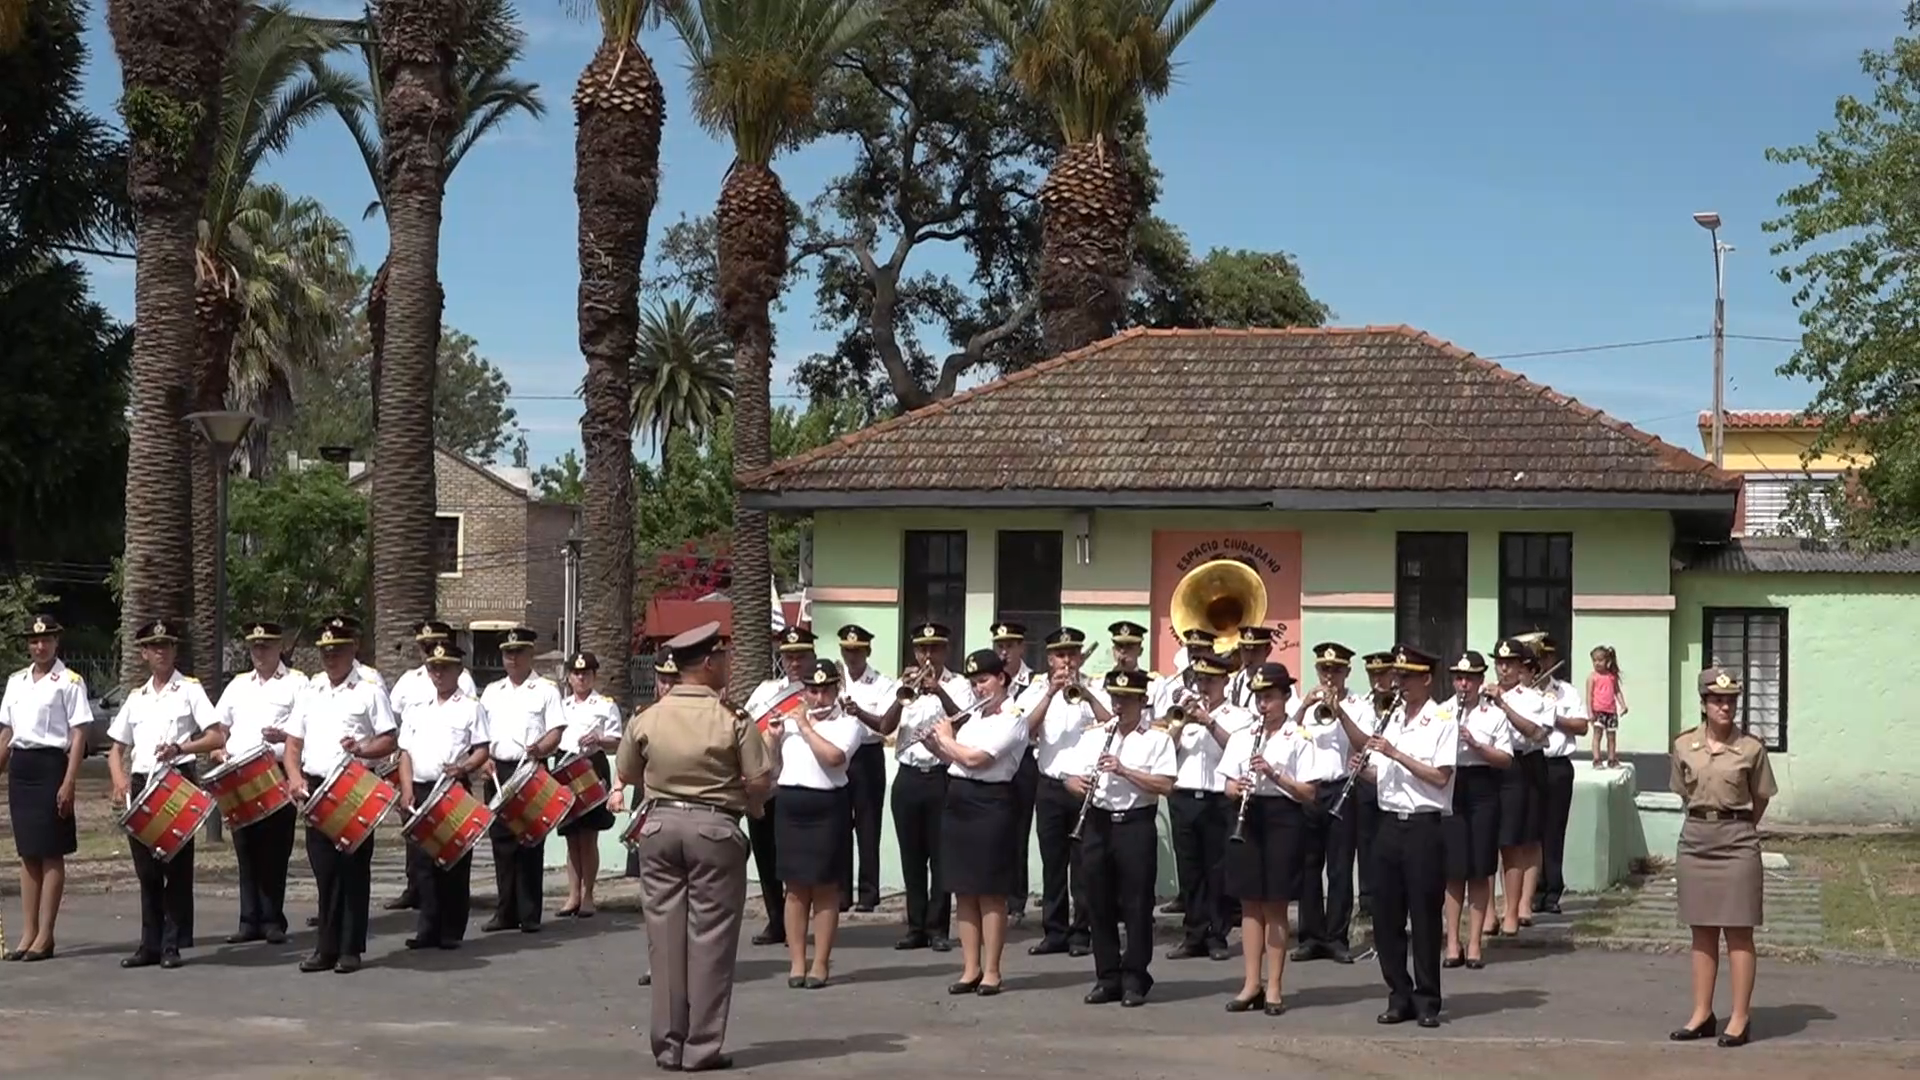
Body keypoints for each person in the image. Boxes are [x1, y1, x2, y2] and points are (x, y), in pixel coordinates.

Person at [617, 621, 772, 1073]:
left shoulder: (648, 717)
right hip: (715, 829)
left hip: (659, 827)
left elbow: (627, 771)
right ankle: (701, 1048)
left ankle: (667, 1047)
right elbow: (759, 780)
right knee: (711, 940)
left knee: (664, 941)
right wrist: (754, 805)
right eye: (722, 658)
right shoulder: (733, 719)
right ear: (707, 664)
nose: (727, 664)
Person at [106, 619, 226, 969]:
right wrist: (118, 779)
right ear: (143, 653)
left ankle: (172, 943)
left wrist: (181, 747)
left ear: (175, 650)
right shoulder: (135, 697)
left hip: (177, 780)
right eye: (154, 647)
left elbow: (216, 736)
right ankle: (150, 943)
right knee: (146, 869)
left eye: (167, 646)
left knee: (175, 865)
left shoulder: (189, 689)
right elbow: (116, 748)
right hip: (143, 783)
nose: (161, 652)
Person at [1669, 666, 1776, 1049]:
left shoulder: (1751, 748)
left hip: (1737, 842)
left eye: (1731, 700)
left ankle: (1740, 1017)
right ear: (1704, 704)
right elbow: (1683, 790)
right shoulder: (1684, 745)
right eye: (1717, 700)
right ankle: (1702, 1013)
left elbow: (1760, 796)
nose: (1725, 707)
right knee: (1701, 929)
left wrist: (1738, 824)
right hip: (1696, 840)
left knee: (1739, 930)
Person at [284, 614, 398, 974]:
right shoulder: (311, 688)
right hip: (317, 787)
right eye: (326, 651)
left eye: (338, 650)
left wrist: (363, 749)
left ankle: (351, 948)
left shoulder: (369, 688)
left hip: (354, 787)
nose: (330, 657)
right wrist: (293, 776)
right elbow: (293, 742)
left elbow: (389, 739)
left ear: (354, 649)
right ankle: (325, 948)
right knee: (324, 870)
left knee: (352, 870)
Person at [1352, 645, 1456, 1028]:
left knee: (1424, 915)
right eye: (1398, 677)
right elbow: (1382, 776)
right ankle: (1399, 994)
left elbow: (1440, 776)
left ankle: (1428, 999)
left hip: (1424, 827)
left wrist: (1395, 753)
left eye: (1408, 677)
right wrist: (1361, 770)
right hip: (1388, 824)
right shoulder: (1392, 717)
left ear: (1426, 679)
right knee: (1386, 915)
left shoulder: (1443, 719)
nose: (1401, 683)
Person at [858, 622, 970, 951]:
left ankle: (938, 929)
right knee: (912, 857)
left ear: (945, 650)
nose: (928, 655)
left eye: (935, 648)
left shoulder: (958, 684)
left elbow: (964, 720)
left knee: (940, 856)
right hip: (908, 776)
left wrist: (938, 691)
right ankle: (916, 926)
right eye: (923, 649)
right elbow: (885, 726)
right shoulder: (903, 684)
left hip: (940, 775)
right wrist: (902, 695)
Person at [925, 649, 1029, 997]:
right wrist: (935, 745)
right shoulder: (974, 719)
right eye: (973, 683)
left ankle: (993, 971)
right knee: (963, 890)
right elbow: (955, 761)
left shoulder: (1013, 717)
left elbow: (977, 759)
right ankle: (970, 968)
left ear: (1001, 678)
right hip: (959, 802)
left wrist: (947, 741)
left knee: (990, 892)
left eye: (983, 680)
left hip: (991, 804)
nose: (978, 688)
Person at [1217, 661, 1317, 1015]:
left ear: (1286, 697)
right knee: (1249, 903)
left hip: (1283, 818)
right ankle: (1250, 983)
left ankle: (1274, 986)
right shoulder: (1244, 735)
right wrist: (1236, 789)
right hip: (1249, 815)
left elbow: (1308, 792)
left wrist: (1273, 774)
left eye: (1270, 698)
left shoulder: (1300, 737)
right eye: (1259, 698)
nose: (1263, 705)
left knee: (1275, 903)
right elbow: (1227, 781)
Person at [1071, 668, 1175, 1007]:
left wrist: (1125, 770)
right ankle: (1107, 977)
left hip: (1135, 824)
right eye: (1115, 698)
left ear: (1142, 701)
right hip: (1098, 823)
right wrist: (1075, 784)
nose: (1119, 705)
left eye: (1127, 700)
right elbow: (1069, 777)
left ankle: (1135, 977)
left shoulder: (1157, 739)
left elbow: (1165, 786)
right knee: (1096, 902)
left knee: (1137, 904)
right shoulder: (1094, 735)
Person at [767, 659, 866, 988]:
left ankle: (820, 963)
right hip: (791, 806)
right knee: (794, 889)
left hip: (828, 807)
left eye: (825, 690)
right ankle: (797, 962)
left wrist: (807, 728)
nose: (818, 697)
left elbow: (835, 759)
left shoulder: (849, 724)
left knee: (825, 888)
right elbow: (772, 767)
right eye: (812, 690)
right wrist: (773, 738)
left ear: (836, 690)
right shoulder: (791, 720)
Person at [0, 613, 91, 963]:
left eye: (46, 640)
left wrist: (69, 781)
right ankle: (27, 931)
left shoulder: (69, 681)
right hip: (21, 767)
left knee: (51, 851)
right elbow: (8, 733)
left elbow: (80, 733)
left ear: (57, 641)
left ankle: (46, 935)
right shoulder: (16, 682)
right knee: (28, 852)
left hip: (52, 765)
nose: (40, 646)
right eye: (34, 641)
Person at [210, 622, 304, 945]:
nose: (259, 653)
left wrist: (285, 736)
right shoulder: (237, 685)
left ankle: (272, 919)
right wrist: (218, 747)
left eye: (265, 646)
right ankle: (248, 919)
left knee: (275, 849)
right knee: (246, 848)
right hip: (238, 772)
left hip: (275, 769)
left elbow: (305, 726)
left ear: (279, 647)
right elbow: (220, 726)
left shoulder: (297, 683)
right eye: (254, 647)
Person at [394, 642, 491, 950]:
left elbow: (482, 750)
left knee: (453, 861)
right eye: (433, 668)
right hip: (421, 788)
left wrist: (463, 766)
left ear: (458, 671)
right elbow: (405, 752)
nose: (438, 673)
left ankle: (451, 929)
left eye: (444, 668)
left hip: (452, 789)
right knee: (422, 864)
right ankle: (428, 928)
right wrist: (406, 788)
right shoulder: (417, 708)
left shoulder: (470, 707)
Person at [1161, 650, 1251, 962]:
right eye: (1199, 680)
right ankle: (1193, 934)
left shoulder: (1238, 716)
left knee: (1218, 869)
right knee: (1190, 870)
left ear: (1224, 681)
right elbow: (1165, 752)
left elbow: (1239, 748)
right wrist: (1178, 725)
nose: (1203, 686)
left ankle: (1217, 935)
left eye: (1210, 680)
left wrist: (1209, 722)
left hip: (1217, 799)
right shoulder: (1181, 714)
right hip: (1184, 796)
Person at [1019, 626, 1102, 957]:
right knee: (1053, 864)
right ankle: (1054, 932)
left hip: (1085, 787)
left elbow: (1113, 724)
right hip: (1051, 786)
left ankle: (1082, 933)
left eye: (1072, 654)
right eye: (1060, 655)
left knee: (1084, 865)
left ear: (1080, 656)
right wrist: (1050, 694)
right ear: (1050, 659)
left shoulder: (1095, 688)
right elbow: (1023, 731)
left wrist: (1088, 694)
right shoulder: (1036, 690)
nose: (1067, 660)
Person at [383, 620, 477, 911]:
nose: (428, 656)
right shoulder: (410, 680)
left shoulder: (464, 685)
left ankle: (449, 923)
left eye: (432, 646)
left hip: (450, 785)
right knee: (419, 851)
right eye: (423, 648)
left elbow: (476, 739)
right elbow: (396, 716)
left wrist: (464, 765)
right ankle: (420, 902)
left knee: (452, 854)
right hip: (417, 778)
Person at [479, 625, 565, 934]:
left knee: (529, 842)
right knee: (502, 843)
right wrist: (484, 756)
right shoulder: (491, 691)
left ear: (530, 654)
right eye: (507, 653)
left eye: (518, 653)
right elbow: (481, 733)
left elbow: (556, 731)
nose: (512, 659)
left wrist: (540, 747)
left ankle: (529, 913)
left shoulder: (546, 689)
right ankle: (505, 912)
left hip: (530, 769)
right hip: (498, 770)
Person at [1289, 642, 1368, 964]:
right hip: (1308, 791)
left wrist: (1341, 713)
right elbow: (1284, 736)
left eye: (1336, 670)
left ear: (1347, 672)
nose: (1329, 675)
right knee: (1308, 867)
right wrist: (1305, 706)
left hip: (1341, 790)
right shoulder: (1304, 705)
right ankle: (1310, 937)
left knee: (1339, 868)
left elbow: (1364, 742)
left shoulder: (1358, 704)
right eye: (1324, 669)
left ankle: (1336, 937)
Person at [741, 626, 816, 945]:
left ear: (812, 656)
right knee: (765, 855)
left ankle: (797, 921)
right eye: (788, 657)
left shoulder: (820, 690)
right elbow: (746, 726)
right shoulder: (766, 691)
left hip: (799, 783)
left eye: (800, 656)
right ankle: (776, 920)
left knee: (795, 857)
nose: (794, 663)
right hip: (766, 784)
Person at [1439, 651, 1512, 969]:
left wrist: (1477, 745)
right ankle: (1452, 942)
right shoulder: (1443, 711)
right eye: (1458, 677)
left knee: (1480, 869)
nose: (1463, 684)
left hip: (1482, 785)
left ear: (1481, 681)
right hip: (1452, 785)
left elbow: (1506, 759)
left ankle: (1475, 944)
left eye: (1469, 678)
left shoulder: (1492, 715)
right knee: (1453, 870)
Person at [1485, 638, 1553, 936]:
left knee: (1518, 839)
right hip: (1489, 768)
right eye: (1500, 663)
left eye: (1510, 664)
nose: (1504, 669)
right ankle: (1488, 911)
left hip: (1521, 766)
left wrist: (1502, 704)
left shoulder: (1532, 698)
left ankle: (1516, 907)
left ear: (1520, 666)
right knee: (1489, 842)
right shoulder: (1482, 694)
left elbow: (1534, 733)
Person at [1522, 632, 1588, 916]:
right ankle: (1531, 891)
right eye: (1537, 658)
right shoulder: (1524, 692)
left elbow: (1582, 726)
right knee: (1529, 830)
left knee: (1554, 829)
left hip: (1558, 765)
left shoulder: (1566, 691)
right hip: (1530, 763)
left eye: (1546, 657)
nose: (1543, 663)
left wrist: (1554, 716)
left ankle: (1552, 892)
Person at [556, 651, 622, 918]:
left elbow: (617, 740)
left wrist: (599, 738)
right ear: (569, 677)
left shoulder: (605, 705)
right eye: (576, 673)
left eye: (585, 673)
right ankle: (572, 894)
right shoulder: (561, 705)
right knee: (571, 836)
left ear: (594, 676)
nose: (580, 678)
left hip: (592, 765)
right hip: (565, 766)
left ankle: (588, 895)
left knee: (589, 835)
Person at [833, 625, 892, 913]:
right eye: (846, 650)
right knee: (840, 824)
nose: (851, 656)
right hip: (842, 755)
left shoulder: (882, 683)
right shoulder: (835, 681)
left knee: (868, 826)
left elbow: (884, 723)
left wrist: (859, 712)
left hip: (868, 755)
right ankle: (841, 893)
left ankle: (869, 892)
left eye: (856, 651)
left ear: (867, 651)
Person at [990, 621, 1038, 923]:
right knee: (995, 831)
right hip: (994, 760)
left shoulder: (1036, 682)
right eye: (1000, 646)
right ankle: (995, 893)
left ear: (1022, 647)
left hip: (1024, 763)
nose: (1004, 651)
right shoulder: (990, 680)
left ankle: (1017, 901)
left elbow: (1031, 723)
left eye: (1010, 645)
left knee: (1019, 832)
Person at [1353, 649, 1397, 922]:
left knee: (1390, 841)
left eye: (1382, 673)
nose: (1377, 680)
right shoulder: (1361, 704)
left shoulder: (1401, 703)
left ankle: (1390, 896)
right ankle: (1368, 899)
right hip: (1367, 777)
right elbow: (1359, 740)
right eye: (1373, 674)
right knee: (1366, 840)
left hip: (1392, 777)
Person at [1588, 645, 1625, 769]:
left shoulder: (1611, 676)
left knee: (1611, 737)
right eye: (1594, 660)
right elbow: (1589, 696)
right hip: (1598, 711)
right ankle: (1597, 759)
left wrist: (1623, 705)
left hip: (1611, 711)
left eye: (1600, 660)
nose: (1597, 663)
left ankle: (1611, 759)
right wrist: (1590, 712)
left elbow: (1617, 691)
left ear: (1607, 661)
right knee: (1597, 735)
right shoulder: (1592, 677)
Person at [1224, 626, 1276, 709]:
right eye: (1245, 650)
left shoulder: (1277, 683)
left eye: (1255, 651)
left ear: (1268, 651)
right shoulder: (1233, 683)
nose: (1249, 656)